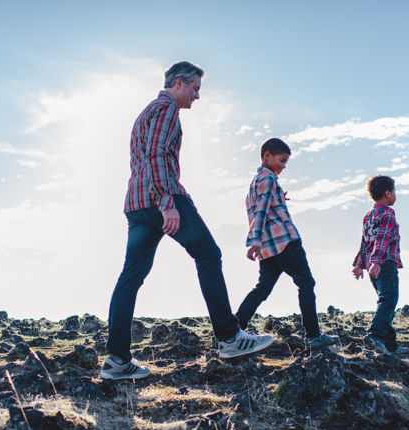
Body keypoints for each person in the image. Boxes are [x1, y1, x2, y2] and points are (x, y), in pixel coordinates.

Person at [99, 61, 273, 381]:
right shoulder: (166, 109)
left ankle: (117, 361)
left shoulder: (146, 111)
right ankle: (230, 338)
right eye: (195, 89)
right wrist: (168, 203)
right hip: (161, 198)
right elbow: (156, 155)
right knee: (208, 254)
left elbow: (144, 157)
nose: (197, 96)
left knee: (130, 278)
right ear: (178, 83)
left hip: (137, 204)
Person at [236, 138, 339, 349]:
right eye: (281, 160)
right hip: (284, 243)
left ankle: (234, 328)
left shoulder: (254, 182)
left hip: (268, 248)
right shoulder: (269, 179)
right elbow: (262, 210)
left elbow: (261, 208)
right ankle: (313, 335)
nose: (283, 166)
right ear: (267, 156)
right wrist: (253, 241)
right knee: (306, 283)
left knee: (262, 288)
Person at [351, 175, 409, 355]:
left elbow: (365, 242)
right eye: (394, 191)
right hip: (383, 265)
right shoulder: (388, 214)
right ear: (387, 193)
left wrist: (358, 264)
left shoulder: (368, 216)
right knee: (388, 300)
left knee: (386, 303)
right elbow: (381, 240)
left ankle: (391, 345)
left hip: (371, 267)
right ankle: (375, 335)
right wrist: (376, 262)